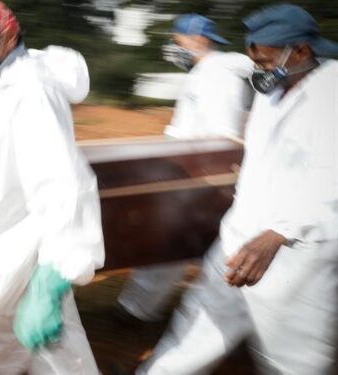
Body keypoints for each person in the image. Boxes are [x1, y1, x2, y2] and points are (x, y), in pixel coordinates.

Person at [138, 4, 338, 374]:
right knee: (197, 326)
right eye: (256, 61)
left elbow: (331, 180)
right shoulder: (272, 91)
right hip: (239, 235)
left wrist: (279, 233)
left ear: (302, 51)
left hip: (293, 249)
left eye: (265, 61)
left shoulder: (332, 95)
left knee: (291, 357)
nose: (260, 70)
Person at [0, 1, 105, 373]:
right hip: (16, 240)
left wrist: (56, 273)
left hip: (18, 247)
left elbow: (63, 180)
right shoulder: (10, 83)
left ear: (9, 36)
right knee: (58, 352)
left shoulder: (29, 89)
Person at [116, 14, 254, 324]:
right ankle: (137, 308)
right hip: (192, 168)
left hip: (201, 173)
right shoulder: (205, 72)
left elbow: (222, 134)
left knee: (175, 240)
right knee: (182, 243)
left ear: (199, 40)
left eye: (177, 41)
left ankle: (136, 311)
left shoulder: (217, 75)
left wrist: (202, 178)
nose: (174, 48)